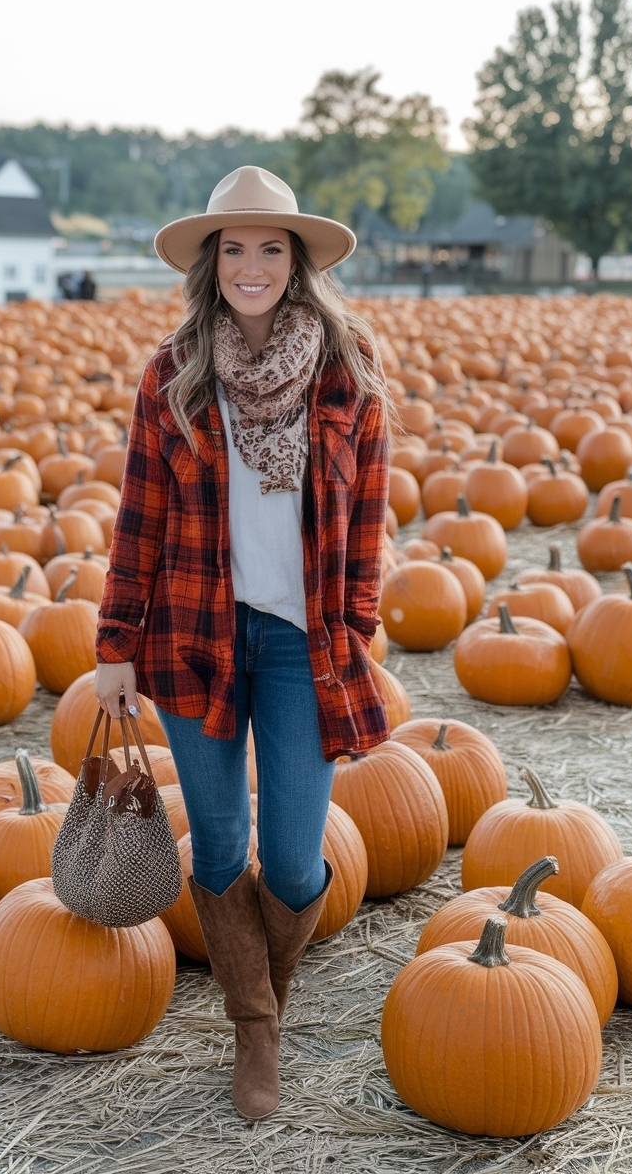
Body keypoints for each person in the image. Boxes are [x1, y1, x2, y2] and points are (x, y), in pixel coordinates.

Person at [94, 166, 391, 1120]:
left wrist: (356, 630)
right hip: (194, 633)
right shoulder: (174, 375)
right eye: (235, 248)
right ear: (210, 263)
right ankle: (255, 1030)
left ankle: (267, 996)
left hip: (306, 646)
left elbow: (371, 523)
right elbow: (137, 517)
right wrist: (114, 643)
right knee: (219, 848)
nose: (253, 265)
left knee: (298, 862)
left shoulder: (350, 373)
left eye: (271, 247)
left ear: (298, 261)